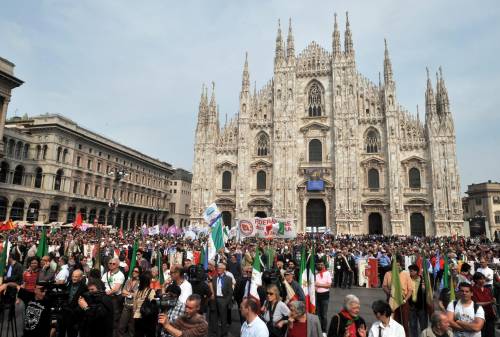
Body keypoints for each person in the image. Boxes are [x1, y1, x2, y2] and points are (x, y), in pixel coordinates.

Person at [382, 255, 413, 336]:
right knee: (392, 322)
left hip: (403, 301)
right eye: (395, 265)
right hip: (391, 300)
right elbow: (384, 286)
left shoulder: (406, 274)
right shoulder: (388, 274)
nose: (397, 266)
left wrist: (405, 300)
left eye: (399, 265)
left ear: (401, 265)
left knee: (405, 324)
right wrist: (389, 292)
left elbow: (410, 290)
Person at [59, 269, 88, 337]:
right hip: (65, 312)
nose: (74, 278)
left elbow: (84, 301)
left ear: (80, 278)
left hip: (75, 315)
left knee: (72, 333)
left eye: (76, 276)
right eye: (73, 276)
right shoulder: (69, 284)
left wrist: (76, 311)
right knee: (61, 331)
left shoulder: (84, 287)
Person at [208, 262, 233, 337]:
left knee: (223, 319)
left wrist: (226, 302)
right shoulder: (215, 277)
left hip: (223, 300)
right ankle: (214, 333)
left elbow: (230, 292)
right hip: (215, 299)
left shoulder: (228, 278)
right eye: (217, 268)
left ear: (224, 269)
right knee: (214, 318)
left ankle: (223, 334)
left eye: (220, 268)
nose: (218, 270)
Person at [102, 257, 125, 337]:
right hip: (105, 297)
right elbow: (102, 284)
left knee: (114, 318)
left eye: (113, 263)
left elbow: (116, 289)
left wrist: (106, 292)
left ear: (118, 265)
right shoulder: (106, 274)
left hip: (114, 299)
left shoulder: (120, 275)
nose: (111, 265)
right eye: (110, 263)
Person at [118, 266, 141, 337]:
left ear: (139, 273)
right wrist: (131, 294)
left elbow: (138, 295)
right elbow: (122, 292)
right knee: (121, 325)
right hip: (126, 305)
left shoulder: (140, 282)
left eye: (136, 271)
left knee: (132, 327)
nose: (134, 272)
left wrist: (128, 293)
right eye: (133, 271)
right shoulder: (128, 281)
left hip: (135, 307)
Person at [471, 272, 496, 337]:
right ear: (476, 280)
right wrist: (489, 302)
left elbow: (492, 302)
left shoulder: (487, 289)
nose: (483, 281)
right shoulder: (473, 290)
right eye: (481, 279)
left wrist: (493, 311)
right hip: (480, 316)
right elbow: (476, 303)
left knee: (491, 333)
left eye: (484, 279)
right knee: (482, 333)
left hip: (490, 315)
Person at [132, 270, 156, 337]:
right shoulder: (151, 291)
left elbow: (134, 306)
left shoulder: (137, 291)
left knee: (138, 334)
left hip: (137, 316)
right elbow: (153, 304)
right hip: (146, 317)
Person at [408, 264, 428, 337]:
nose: (409, 272)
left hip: (421, 306)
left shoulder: (423, 280)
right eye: (409, 271)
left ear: (416, 271)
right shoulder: (408, 279)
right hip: (411, 306)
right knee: (412, 326)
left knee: (423, 326)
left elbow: (429, 293)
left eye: (411, 271)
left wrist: (425, 289)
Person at [315, 260, 332, 333]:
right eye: (319, 265)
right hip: (317, 295)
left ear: (324, 265)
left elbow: (328, 285)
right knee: (318, 314)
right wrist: (317, 286)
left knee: (324, 315)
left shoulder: (327, 273)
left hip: (325, 296)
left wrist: (318, 285)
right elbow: (314, 285)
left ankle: (324, 330)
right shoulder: (315, 274)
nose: (320, 266)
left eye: (321, 265)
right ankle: (318, 329)